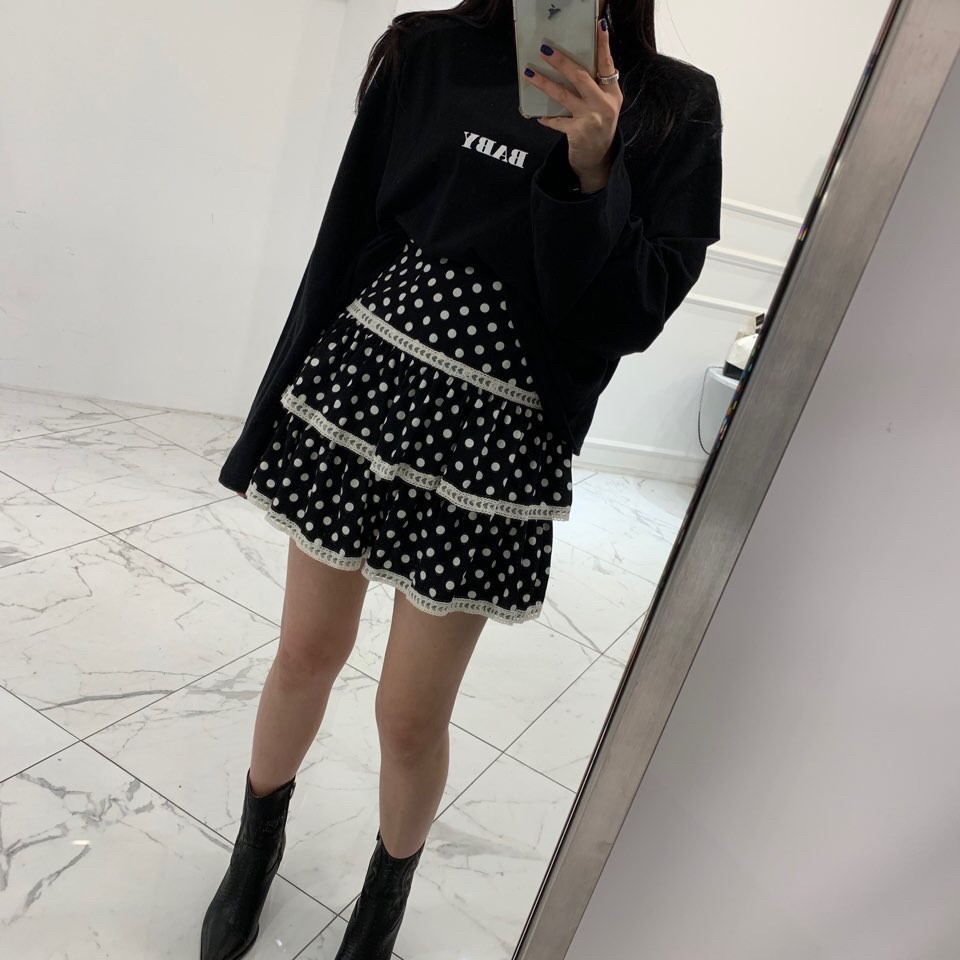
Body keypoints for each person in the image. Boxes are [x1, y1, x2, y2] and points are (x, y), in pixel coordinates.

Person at [201, 2, 722, 958]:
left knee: (410, 714)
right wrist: (271, 410)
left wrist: (594, 170)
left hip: (497, 436)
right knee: (304, 653)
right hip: (365, 388)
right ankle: (255, 846)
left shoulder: (672, 108)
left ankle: (384, 901)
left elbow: (630, 314)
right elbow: (348, 238)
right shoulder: (428, 51)